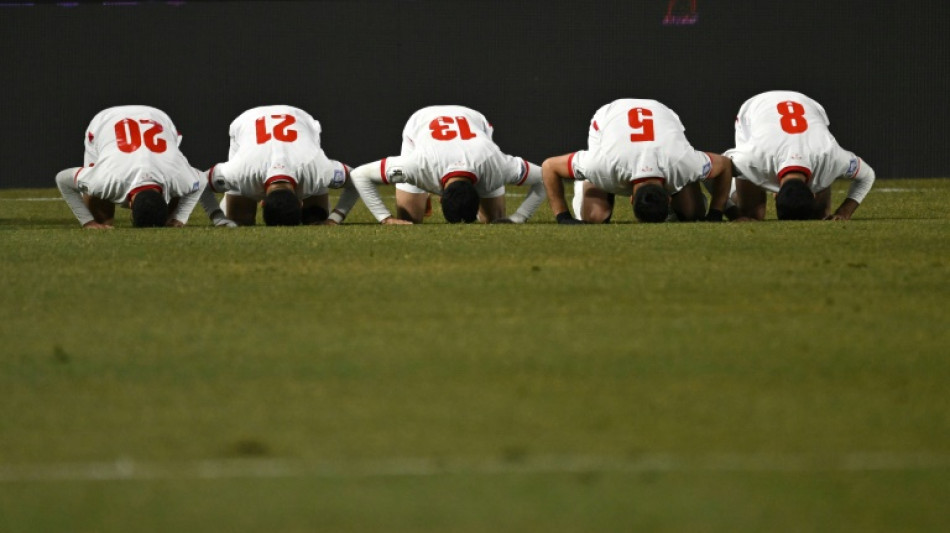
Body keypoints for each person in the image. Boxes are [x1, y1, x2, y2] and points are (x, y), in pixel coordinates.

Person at [542, 98, 734, 224]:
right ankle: (584, 181)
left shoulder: (682, 162)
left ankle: (685, 195)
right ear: (668, 197)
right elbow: (549, 167)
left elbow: (725, 164)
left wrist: (715, 213)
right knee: (595, 217)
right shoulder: (603, 165)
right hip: (609, 116)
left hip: (661, 114)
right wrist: (563, 217)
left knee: (693, 214)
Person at [349, 105, 545, 224]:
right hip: (421, 122)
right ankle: (423, 193)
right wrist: (386, 218)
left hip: (475, 122)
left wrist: (520, 216)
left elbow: (546, 177)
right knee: (409, 220)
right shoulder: (417, 165)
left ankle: (429, 192)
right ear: (440, 198)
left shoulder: (497, 165)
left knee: (494, 220)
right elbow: (359, 175)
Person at [725, 90, 876, 220]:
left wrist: (844, 212)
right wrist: (734, 213)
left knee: (820, 215)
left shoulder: (830, 156)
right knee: (752, 215)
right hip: (755, 109)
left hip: (808, 105)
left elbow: (868, 175)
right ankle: (736, 189)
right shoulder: (752, 159)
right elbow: (717, 168)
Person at [198, 105, 359, 226]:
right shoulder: (240, 171)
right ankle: (232, 199)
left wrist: (334, 218)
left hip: (301, 121)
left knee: (315, 219)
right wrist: (219, 218)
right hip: (247, 123)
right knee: (240, 220)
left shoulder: (316, 168)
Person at [55, 105, 206, 229]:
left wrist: (178, 218)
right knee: (101, 220)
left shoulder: (178, 177)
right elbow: (63, 179)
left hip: (157, 118)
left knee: (178, 192)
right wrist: (88, 222)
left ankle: (170, 219)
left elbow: (202, 180)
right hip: (105, 123)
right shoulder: (106, 179)